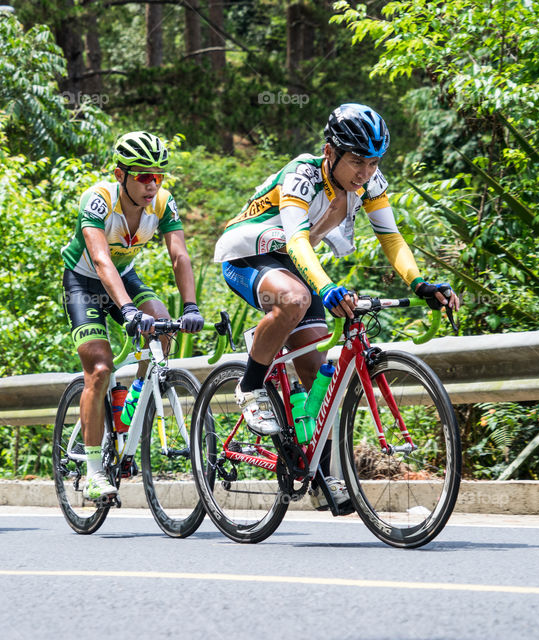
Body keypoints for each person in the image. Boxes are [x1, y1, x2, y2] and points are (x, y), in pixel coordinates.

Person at [214, 103, 461, 508]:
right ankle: (251, 384)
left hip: (294, 261)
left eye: (373, 161)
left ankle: (321, 475)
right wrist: (326, 287)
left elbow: (391, 238)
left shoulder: (368, 183)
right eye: (357, 161)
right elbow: (296, 240)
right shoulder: (303, 174)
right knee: (296, 298)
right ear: (331, 152)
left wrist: (419, 283)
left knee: (316, 376)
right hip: (248, 253)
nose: (365, 172)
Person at [60, 131, 204, 501]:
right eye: (143, 176)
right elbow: (100, 259)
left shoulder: (163, 204)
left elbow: (179, 257)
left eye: (158, 176)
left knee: (162, 322)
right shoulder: (98, 200)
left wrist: (191, 306)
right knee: (100, 369)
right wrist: (125, 309)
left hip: (124, 278)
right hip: (85, 283)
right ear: (121, 174)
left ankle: (137, 394)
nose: (152, 184)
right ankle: (94, 472)